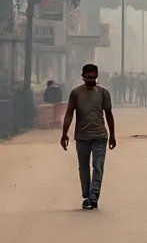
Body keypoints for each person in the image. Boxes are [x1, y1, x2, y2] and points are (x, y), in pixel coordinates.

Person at [61, 64, 117, 210]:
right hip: (82, 137)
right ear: (83, 76)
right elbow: (69, 114)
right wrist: (64, 134)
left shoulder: (103, 93)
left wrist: (112, 135)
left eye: (93, 77)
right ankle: (87, 194)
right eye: (88, 77)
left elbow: (109, 115)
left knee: (98, 167)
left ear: (97, 75)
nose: (90, 80)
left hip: (100, 136)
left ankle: (93, 197)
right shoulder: (76, 93)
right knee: (83, 168)